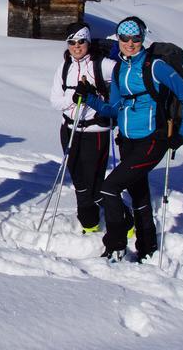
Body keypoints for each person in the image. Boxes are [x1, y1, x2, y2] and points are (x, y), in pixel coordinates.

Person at [80, 16, 183, 262]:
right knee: (139, 194)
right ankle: (147, 248)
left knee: (109, 189)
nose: (130, 43)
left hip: (153, 139)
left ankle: (115, 245)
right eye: (125, 38)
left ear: (143, 38)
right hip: (127, 139)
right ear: (118, 39)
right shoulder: (119, 68)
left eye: (135, 38)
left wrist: (182, 134)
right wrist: (90, 97)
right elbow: (113, 109)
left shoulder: (155, 67)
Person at [49, 22, 116, 234]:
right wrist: (73, 96)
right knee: (79, 181)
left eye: (81, 41)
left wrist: (99, 96)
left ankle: (124, 221)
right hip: (69, 129)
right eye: (72, 42)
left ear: (88, 42)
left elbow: (124, 78)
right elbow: (55, 101)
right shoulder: (64, 66)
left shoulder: (103, 65)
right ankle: (90, 223)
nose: (76, 46)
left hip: (95, 132)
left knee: (94, 185)